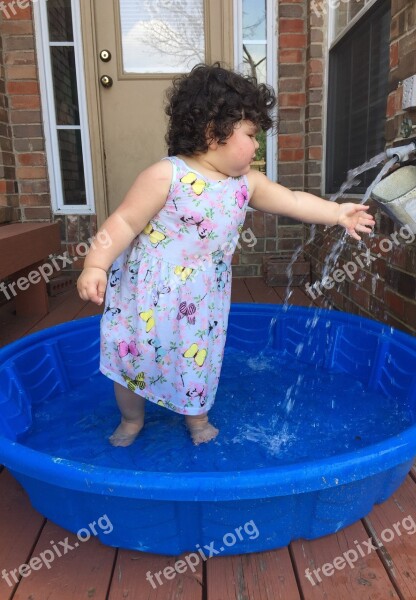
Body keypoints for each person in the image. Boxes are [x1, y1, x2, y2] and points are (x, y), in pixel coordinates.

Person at [77, 63, 374, 447]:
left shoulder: (246, 184)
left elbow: (293, 201)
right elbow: (123, 222)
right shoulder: (166, 175)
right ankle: (132, 419)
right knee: (132, 359)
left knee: (198, 358)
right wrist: (95, 264)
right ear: (213, 131)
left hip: (201, 297)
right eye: (251, 135)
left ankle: (196, 418)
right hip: (147, 296)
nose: (257, 145)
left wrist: (337, 213)